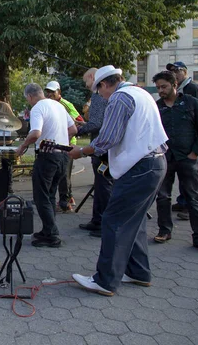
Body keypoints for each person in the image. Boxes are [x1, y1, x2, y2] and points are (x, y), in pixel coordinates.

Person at [69, 65, 168, 296]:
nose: (99, 96)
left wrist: (82, 151)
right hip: (155, 163)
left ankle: (105, 281)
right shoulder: (140, 92)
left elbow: (108, 138)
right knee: (135, 221)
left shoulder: (119, 98)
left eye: (98, 91)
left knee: (113, 220)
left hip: (140, 167)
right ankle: (138, 272)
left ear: (104, 84)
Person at [152, 71, 198, 252]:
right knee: (163, 197)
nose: (161, 91)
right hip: (165, 158)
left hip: (188, 158)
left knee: (193, 198)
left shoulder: (191, 103)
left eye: (164, 87)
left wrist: (195, 152)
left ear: (174, 85)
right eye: (158, 88)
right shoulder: (157, 107)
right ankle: (164, 230)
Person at [16, 83, 76, 248]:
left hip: (48, 156)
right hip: (63, 156)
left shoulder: (37, 108)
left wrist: (22, 146)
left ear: (29, 96)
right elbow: (73, 129)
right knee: (50, 195)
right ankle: (48, 230)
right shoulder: (58, 105)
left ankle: (52, 235)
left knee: (41, 196)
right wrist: (61, 139)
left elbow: (36, 133)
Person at [165, 61, 198, 215]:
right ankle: (182, 201)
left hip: (189, 145)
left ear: (184, 71)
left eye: (176, 70)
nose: (173, 73)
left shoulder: (193, 89)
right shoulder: (175, 90)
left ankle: (187, 206)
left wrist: (196, 149)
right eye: (171, 71)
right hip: (174, 147)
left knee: (189, 180)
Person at [76, 68, 112, 238]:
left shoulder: (98, 95)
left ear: (92, 77)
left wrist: (78, 130)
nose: (86, 85)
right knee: (100, 185)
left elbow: (97, 123)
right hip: (107, 149)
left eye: (86, 82)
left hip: (102, 150)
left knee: (103, 186)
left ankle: (102, 223)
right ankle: (97, 220)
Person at [44, 80, 84, 212]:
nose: (49, 94)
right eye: (47, 92)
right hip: (56, 145)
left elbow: (80, 121)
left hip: (67, 145)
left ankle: (65, 203)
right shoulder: (49, 104)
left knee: (63, 175)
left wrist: (65, 136)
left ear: (59, 92)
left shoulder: (66, 104)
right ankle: (69, 198)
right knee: (62, 174)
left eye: (52, 92)